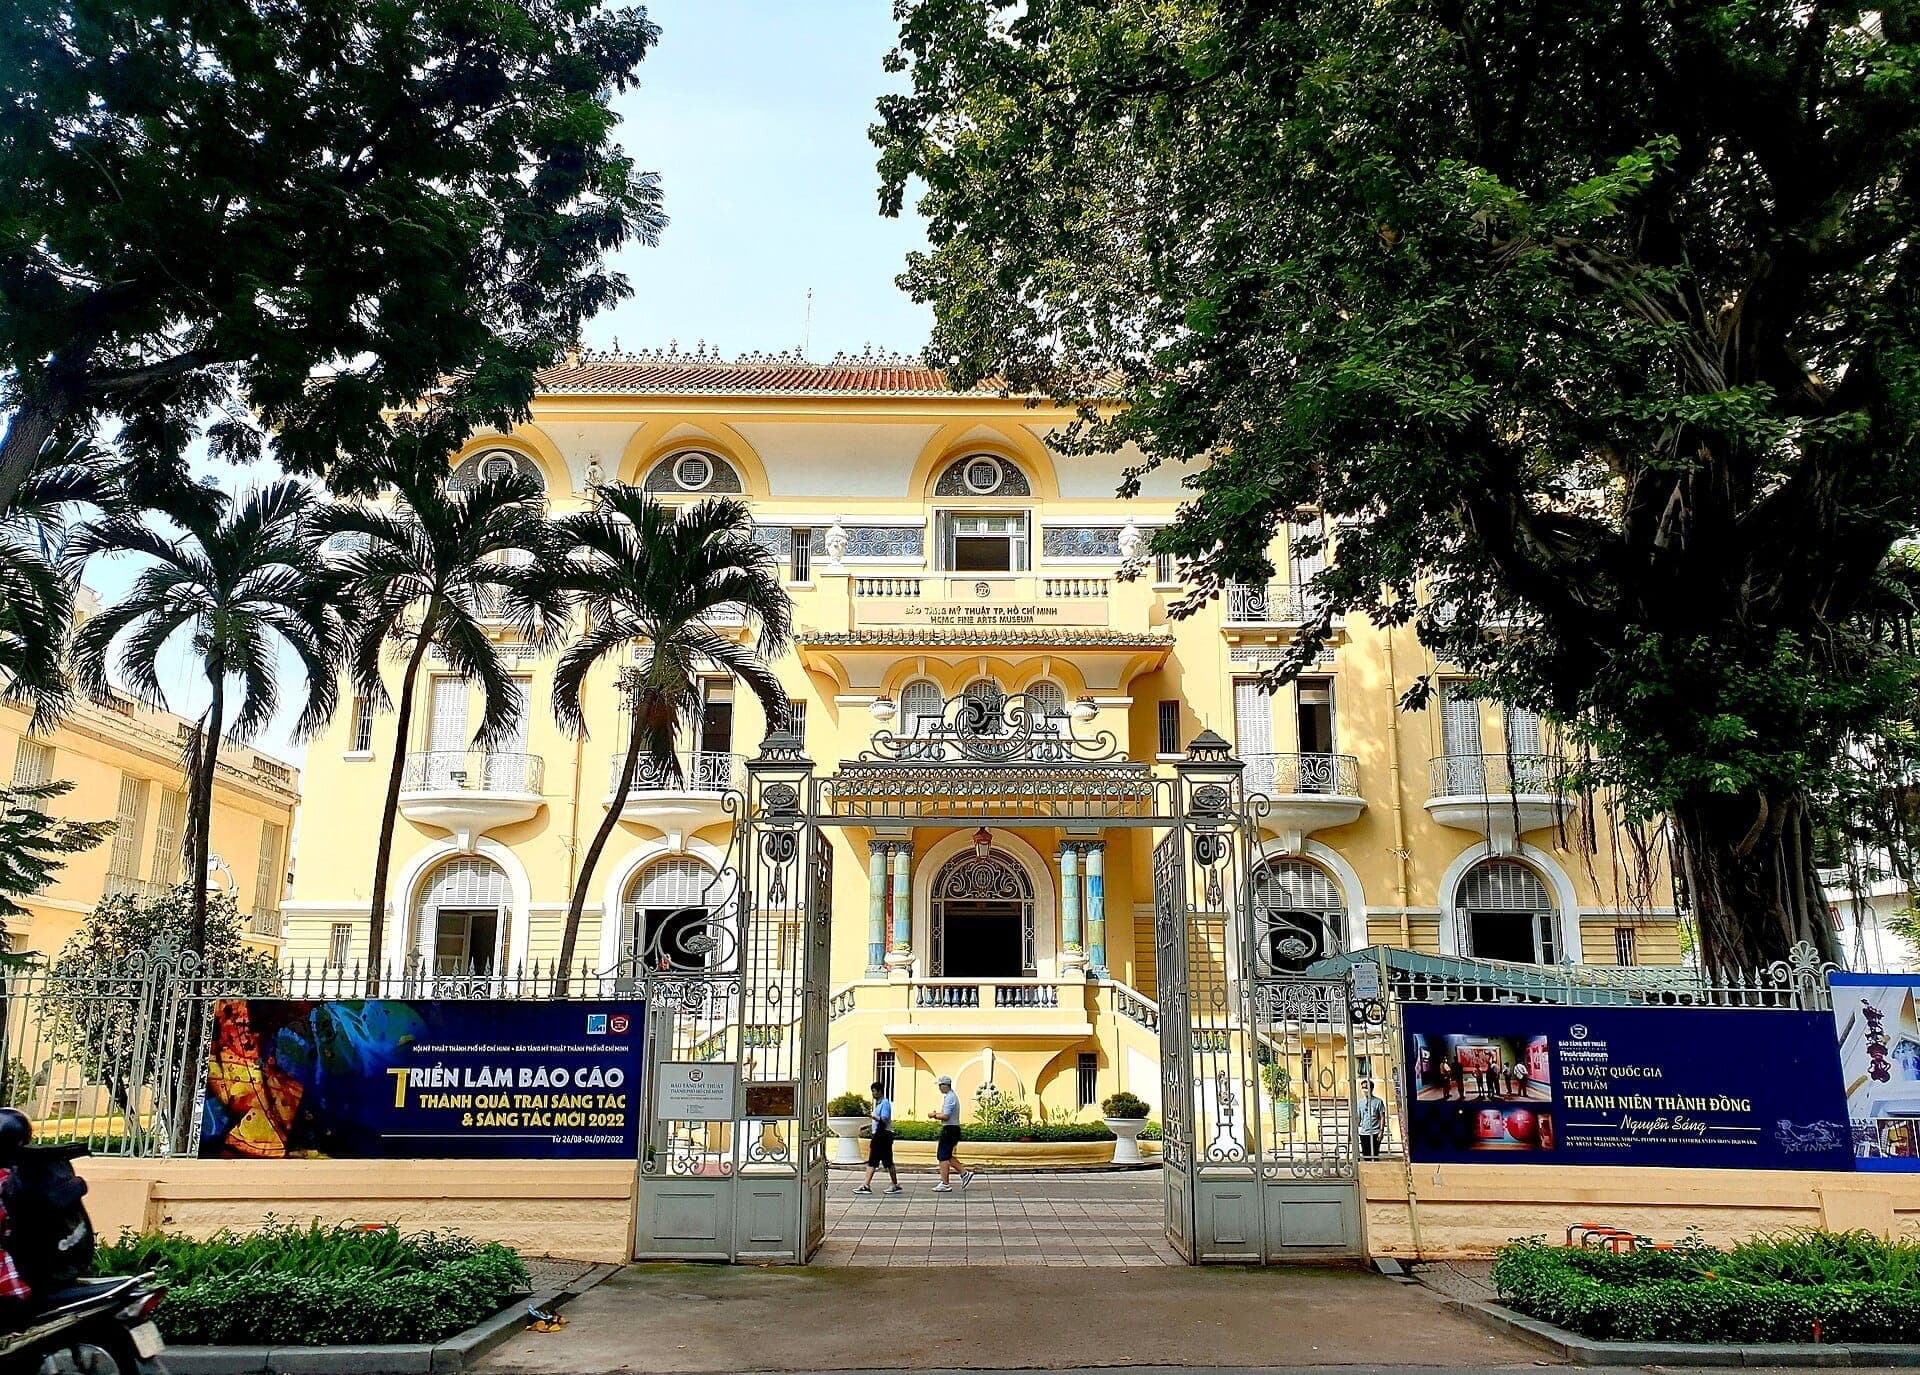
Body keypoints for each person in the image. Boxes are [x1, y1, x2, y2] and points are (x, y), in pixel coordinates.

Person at [853, 1079, 902, 1195]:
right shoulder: (879, 1105)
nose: (873, 1094)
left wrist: (871, 1116)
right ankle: (871, 1184)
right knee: (880, 1160)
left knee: (880, 1161)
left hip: (883, 1135)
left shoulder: (885, 1103)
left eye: (874, 1091)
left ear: (880, 1091)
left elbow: (884, 1119)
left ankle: (870, 1184)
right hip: (879, 1135)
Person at [927, 1074, 975, 1192]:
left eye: (940, 1085)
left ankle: (945, 1183)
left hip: (950, 1129)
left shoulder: (950, 1097)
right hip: (952, 1129)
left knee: (942, 1155)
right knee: (947, 1154)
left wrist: (934, 1115)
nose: (939, 1088)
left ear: (945, 1085)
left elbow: (946, 1116)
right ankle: (964, 1173)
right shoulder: (950, 1096)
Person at [1355, 1080, 1387, 1160]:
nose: (1364, 1090)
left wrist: (1381, 1131)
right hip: (1364, 1133)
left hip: (1375, 1132)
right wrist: (1354, 1130)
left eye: (1366, 1087)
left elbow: (1382, 1117)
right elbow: (1358, 1117)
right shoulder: (1360, 1103)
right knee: (1366, 1155)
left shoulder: (1378, 1102)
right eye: (1362, 1088)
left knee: (1374, 1155)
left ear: (1371, 1088)